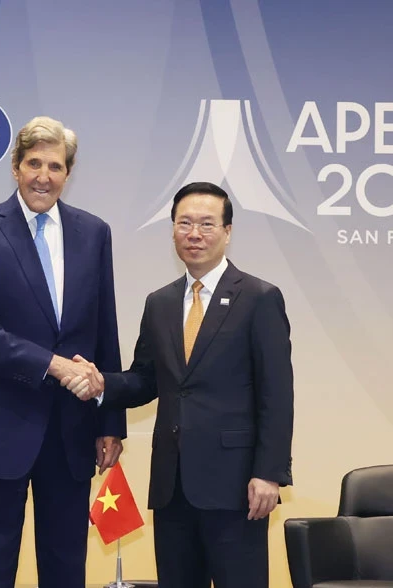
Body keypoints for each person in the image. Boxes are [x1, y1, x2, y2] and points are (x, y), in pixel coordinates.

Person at [64, 181, 294, 588]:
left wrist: (270, 473)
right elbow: (146, 379)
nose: (194, 234)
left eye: (207, 224)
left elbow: (276, 396)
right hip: (172, 486)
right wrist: (103, 385)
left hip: (237, 484)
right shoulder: (160, 302)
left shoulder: (259, 297)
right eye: (184, 223)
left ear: (227, 231)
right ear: (172, 230)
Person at [0, 116, 126, 588]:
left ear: (68, 173)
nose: (43, 176)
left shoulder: (95, 233)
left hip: (72, 432)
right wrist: (51, 364)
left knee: (67, 570)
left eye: (55, 166)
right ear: (15, 167)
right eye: (33, 164)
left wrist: (110, 423)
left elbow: (104, 329)